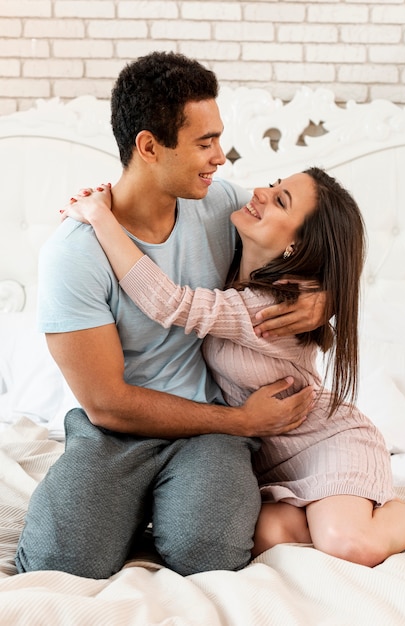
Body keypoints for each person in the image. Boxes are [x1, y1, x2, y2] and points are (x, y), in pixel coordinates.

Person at [15, 51, 325, 579]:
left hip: (209, 434)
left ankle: (162, 510)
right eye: (205, 142)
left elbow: (308, 243)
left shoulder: (223, 207)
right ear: (149, 146)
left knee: (209, 552)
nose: (220, 157)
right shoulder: (73, 252)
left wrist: (322, 299)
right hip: (116, 431)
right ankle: (130, 508)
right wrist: (242, 421)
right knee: (57, 562)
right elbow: (109, 404)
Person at [60, 169, 405, 567]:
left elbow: (168, 303)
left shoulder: (273, 305)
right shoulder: (234, 261)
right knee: (266, 535)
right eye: (274, 184)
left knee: (348, 545)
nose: (261, 193)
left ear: (296, 247)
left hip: (327, 445)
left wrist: (100, 217)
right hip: (273, 461)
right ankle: (332, 515)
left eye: (281, 200)